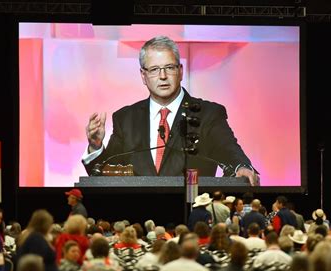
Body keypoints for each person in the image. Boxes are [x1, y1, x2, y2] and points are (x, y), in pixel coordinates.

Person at [82, 35, 259, 186]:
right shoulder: (126, 118)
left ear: (180, 71)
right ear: (143, 76)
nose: (163, 76)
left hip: (191, 216)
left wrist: (242, 166)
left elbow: (229, 149)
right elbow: (104, 174)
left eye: (169, 68)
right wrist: (95, 146)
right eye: (154, 69)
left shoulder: (208, 114)